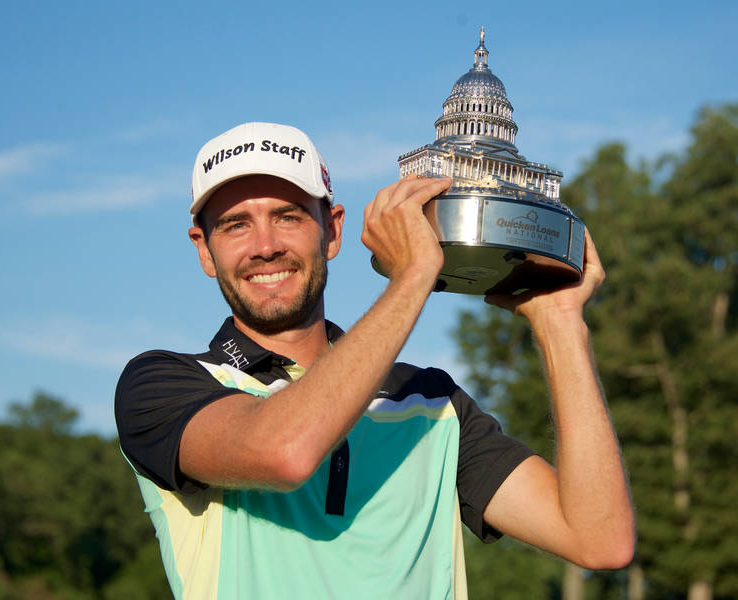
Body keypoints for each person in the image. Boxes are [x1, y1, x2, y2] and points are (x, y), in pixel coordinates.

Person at [115, 122, 635, 599]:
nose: (265, 246)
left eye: (288, 217)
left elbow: (599, 540)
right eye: (235, 225)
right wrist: (415, 275)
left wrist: (560, 323)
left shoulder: (432, 402)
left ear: (333, 230)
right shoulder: (163, 383)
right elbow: (285, 450)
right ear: (204, 251)